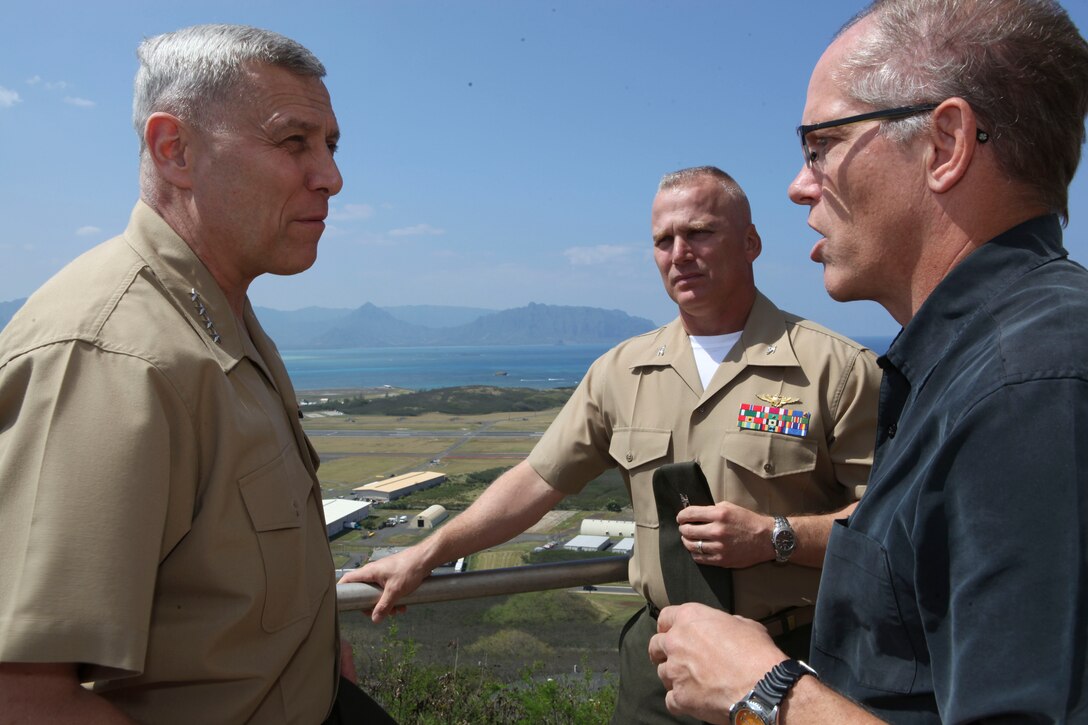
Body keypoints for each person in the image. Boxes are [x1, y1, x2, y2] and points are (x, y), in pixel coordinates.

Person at [649, 1, 1088, 723]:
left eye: (821, 145)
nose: (799, 184)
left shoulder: (1029, 391)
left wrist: (763, 691)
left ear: (945, 144)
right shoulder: (960, 369)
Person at [343, 165, 882, 723]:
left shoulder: (835, 370)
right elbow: (538, 481)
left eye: (699, 233)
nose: (680, 253)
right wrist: (424, 553)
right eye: (663, 240)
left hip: (795, 661)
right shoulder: (621, 372)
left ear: (750, 243)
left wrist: (776, 537)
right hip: (661, 659)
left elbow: (889, 526)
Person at [0, 24, 392, 724]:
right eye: (293, 141)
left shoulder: (218, 312)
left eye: (329, 145)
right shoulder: (111, 355)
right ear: (174, 149)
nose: (331, 176)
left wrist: (312, 648)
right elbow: (24, 696)